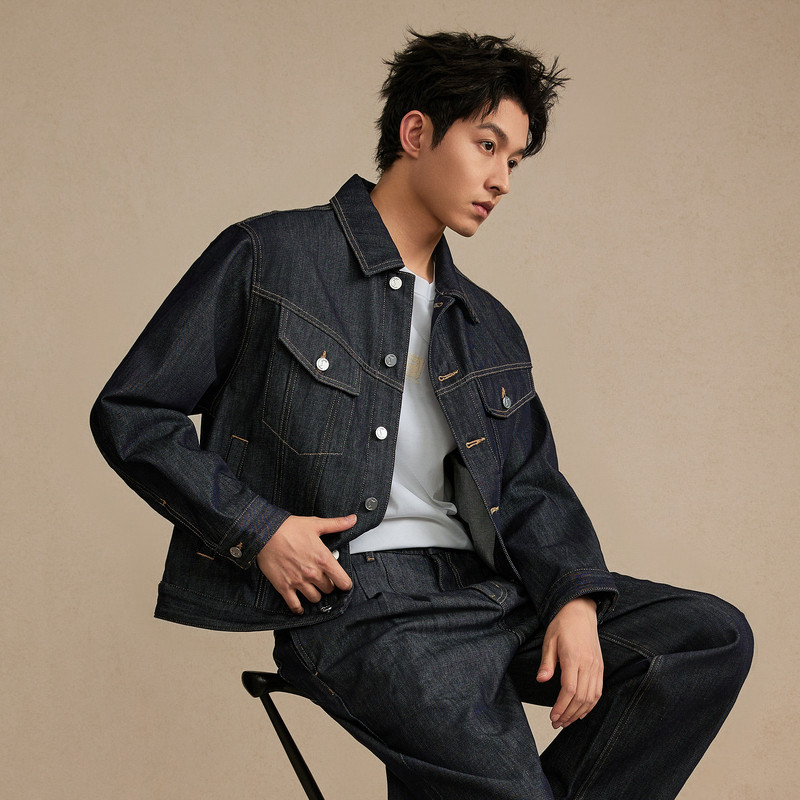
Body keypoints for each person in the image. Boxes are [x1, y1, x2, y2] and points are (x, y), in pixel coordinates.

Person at [90, 30, 753, 800]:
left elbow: (531, 485)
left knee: (704, 641)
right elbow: (133, 410)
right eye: (487, 145)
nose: (502, 179)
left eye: (514, 160)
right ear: (415, 133)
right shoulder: (272, 257)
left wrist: (574, 598)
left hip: (489, 589)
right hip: (362, 604)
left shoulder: (485, 324)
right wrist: (258, 529)